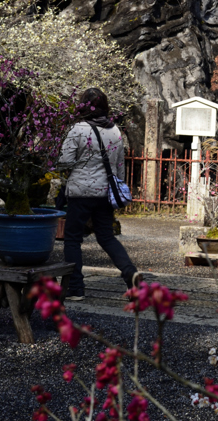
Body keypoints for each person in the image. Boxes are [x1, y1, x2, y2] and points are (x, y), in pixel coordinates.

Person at [58, 88, 143, 300]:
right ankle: (130, 274)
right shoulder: (115, 131)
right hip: (105, 192)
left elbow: (65, 162)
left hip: (80, 192)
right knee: (106, 237)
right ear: (105, 107)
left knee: (72, 239)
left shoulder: (77, 129)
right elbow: (119, 166)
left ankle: (75, 288)